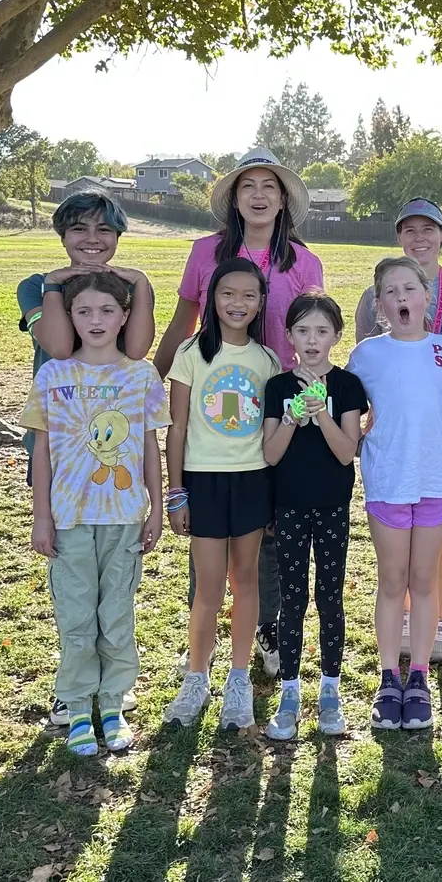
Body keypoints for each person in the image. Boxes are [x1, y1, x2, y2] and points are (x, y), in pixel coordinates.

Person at [153, 148, 322, 679]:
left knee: (268, 523)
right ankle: (199, 633)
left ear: (282, 199)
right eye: (247, 185)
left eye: (268, 185)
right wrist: (148, 385)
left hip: (280, 408)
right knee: (207, 524)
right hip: (215, 402)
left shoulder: (304, 260)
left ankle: (267, 629)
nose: (258, 194)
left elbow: (314, 334)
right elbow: (184, 321)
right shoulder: (205, 252)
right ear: (233, 197)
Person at [17, 189, 155, 726]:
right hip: (60, 447)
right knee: (74, 589)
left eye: (104, 230)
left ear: (119, 236)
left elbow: (138, 348)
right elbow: (56, 344)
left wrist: (138, 283)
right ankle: (72, 691)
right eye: (79, 229)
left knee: (113, 593)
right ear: (61, 236)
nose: (92, 240)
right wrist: (56, 286)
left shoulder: (127, 288)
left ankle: (110, 692)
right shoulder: (38, 284)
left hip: (116, 459)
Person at [354, 196, 442, 663]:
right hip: (395, 456)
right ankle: (403, 624)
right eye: (409, 230)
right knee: (396, 564)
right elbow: (369, 380)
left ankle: (438, 620)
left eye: (428, 229)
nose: (420, 238)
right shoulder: (375, 300)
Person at [162, 259, 281, 732]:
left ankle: (238, 679)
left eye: (249, 296)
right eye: (228, 293)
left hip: (252, 481)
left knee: (246, 580)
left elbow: (272, 435)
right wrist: (176, 493)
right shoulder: (192, 353)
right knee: (208, 588)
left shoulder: (266, 360)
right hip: (204, 482)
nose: (238, 303)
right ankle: (197, 676)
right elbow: (176, 429)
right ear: (212, 298)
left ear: (260, 304)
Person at [347, 256, 442, 731]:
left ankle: (419, 677)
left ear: (426, 297)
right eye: (389, 292)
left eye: (409, 289)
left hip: (435, 481)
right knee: (392, 580)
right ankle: (388, 677)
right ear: (379, 305)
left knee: (424, 581)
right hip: (388, 480)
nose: (400, 298)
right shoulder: (366, 355)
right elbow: (354, 416)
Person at [262, 293, 367, 740]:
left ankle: (330, 690)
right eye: (302, 330)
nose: (312, 340)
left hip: (331, 507)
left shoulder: (347, 386)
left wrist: (320, 411)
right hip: (287, 507)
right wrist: (290, 417)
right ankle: (289, 692)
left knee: (329, 597)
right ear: (288, 336)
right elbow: (269, 454)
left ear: (337, 337)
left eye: (322, 331)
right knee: (292, 599)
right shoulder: (276, 386)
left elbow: (347, 452)